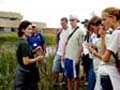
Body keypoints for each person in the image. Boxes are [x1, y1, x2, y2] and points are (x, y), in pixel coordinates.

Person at [88, 7, 120, 90]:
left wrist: (93, 52)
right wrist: (103, 37)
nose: (102, 23)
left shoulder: (116, 33)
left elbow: (105, 58)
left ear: (113, 18)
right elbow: (104, 54)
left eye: (104, 19)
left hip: (110, 72)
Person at [14, 20, 44, 90]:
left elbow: (25, 55)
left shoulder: (21, 41)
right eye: (29, 29)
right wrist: (38, 58)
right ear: (23, 30)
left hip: (22, 71)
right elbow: (26, 61)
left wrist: (35, 50)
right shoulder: (24, 44)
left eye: (32, 29)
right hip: (26, 74)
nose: (31, 31)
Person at [64, 15, 84, 90]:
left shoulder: (80, 31)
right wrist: (64, 55)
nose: (71, 22)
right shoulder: (69, 30)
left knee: (76, 77)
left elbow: (81, 45)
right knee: (68, 77)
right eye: (70, 20)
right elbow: (66, 44)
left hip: (74, 58)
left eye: (73, 20)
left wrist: (77, 58)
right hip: (67, 57)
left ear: (77, 21)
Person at [52, 17, 71, 86]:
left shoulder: (70, 31)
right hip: (58, 53)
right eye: (61, 24)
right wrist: (57, 34)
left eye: (63, 23)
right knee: (55, 68)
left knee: (64, 69)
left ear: (67, 22)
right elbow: (57, 41)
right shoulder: (60, 31)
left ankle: (64, 82)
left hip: (66, 54)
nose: (62, 25)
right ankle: (56, 82)